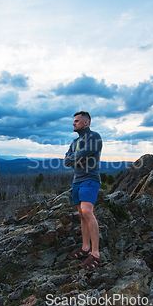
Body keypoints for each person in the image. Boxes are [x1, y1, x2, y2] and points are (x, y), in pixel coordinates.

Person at [63, 111, 103, 270]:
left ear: (86, 123)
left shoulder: (94, 137)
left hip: (90, 178)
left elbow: (84, 153)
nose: (74, 123)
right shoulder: (74, 142)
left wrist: (77, 157)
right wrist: (77, 160)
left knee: (87, 211)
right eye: (74, 121)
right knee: (81, 214)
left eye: (77, 121)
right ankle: (85, 248)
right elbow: (66, 160)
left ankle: (96, 254)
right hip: (77, 181)